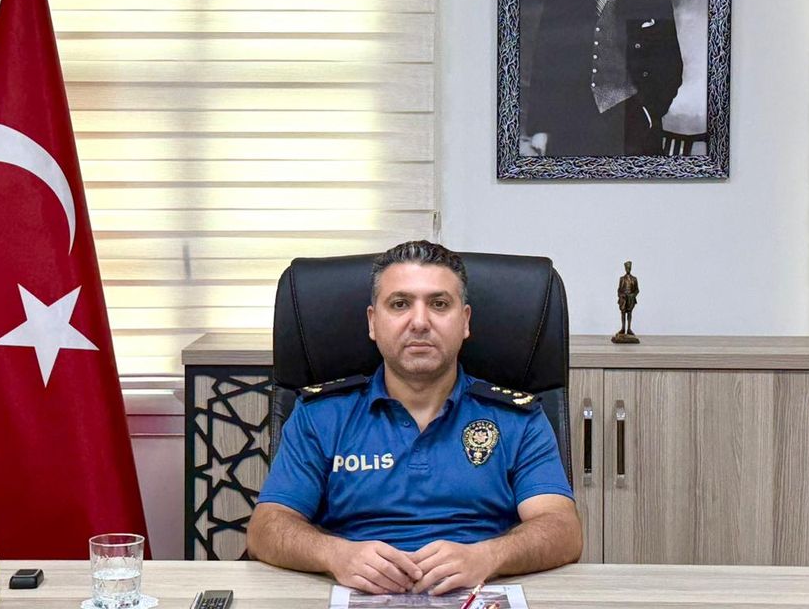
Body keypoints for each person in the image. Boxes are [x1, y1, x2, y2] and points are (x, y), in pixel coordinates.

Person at [246, 241, 581, 595]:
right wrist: (335, 555)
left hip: (479, 592)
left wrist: (487, 557)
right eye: (400, 304)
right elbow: (266, 528)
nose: (420, 322)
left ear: (465, 321)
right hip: (358, 592)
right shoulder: (321, 415)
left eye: (439, 304)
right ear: (373, 322)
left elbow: (563, 529)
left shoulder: (517, 418)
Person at [522, 0, 683, 157]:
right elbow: (544, 66)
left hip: (632, 129)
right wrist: (541, 127)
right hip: (570, 128)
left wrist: (648, 112)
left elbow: (670, 67)